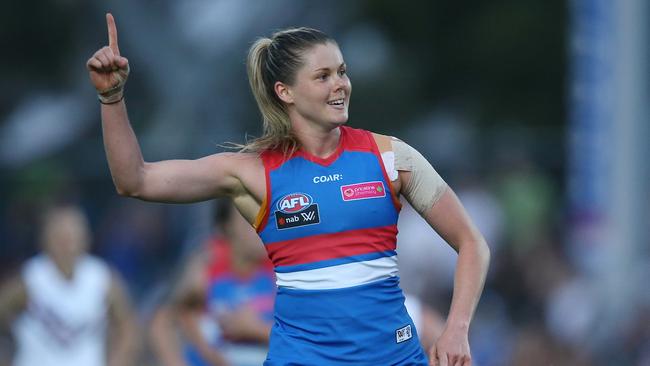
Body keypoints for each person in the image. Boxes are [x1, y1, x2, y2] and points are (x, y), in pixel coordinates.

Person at [87, 13, 490, 366]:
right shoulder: (255, 173)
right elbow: (135, 180)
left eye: (342, 72)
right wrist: (111, 96)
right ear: (285, 92)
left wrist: (456, 328)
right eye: (323, 76)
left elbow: (472, 242)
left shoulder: (391, 157)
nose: (341, 85)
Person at [0, 203, 139, 366]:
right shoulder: (29, 278)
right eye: (60, 236)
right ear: (45, 239)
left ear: (86, 238)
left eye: (73, 236)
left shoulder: (102, 278)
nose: (67, 244)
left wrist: (117, 361)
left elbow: (129, 328)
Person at [149, 200, 275, 366]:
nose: (260, 229)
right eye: (249, 220)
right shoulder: (206, 265)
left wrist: (256, 329)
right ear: (225, 226)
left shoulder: (283, 269)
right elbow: (161, 322)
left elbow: (309, 338)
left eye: (265, 220)